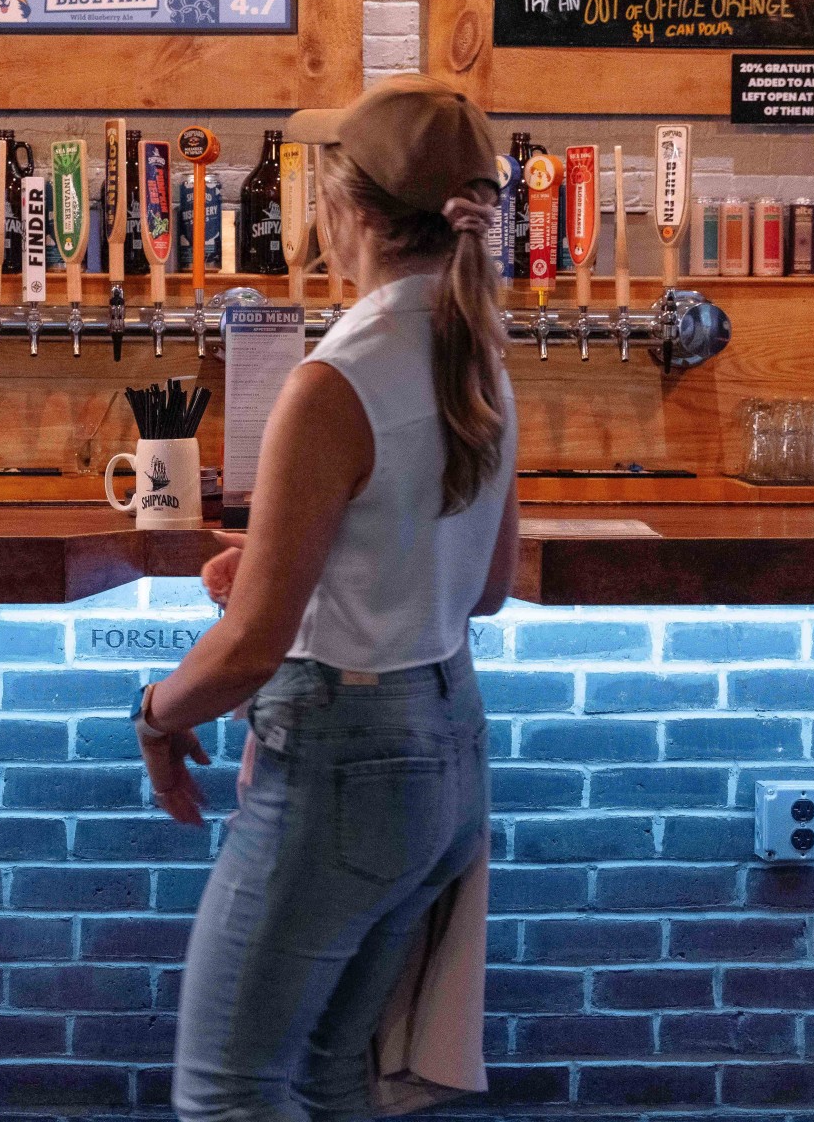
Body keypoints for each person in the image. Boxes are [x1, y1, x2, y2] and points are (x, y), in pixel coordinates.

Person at [134, 75, 520, 1122]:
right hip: (447, 752)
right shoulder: (478, 352)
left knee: (227, 1092)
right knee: (329, 1073)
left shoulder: (334, 378)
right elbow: (483, 587)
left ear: (345, 207)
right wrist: (287, 561)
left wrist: (157, 716)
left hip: (347, 760)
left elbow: (254, 647)